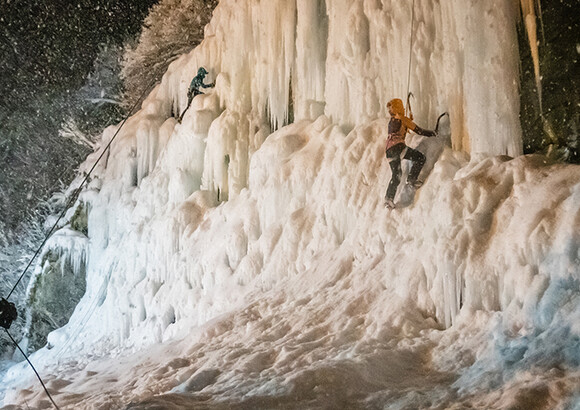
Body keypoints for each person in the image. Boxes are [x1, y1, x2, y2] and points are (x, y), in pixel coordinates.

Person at [384, 98, 437, 209]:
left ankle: (388, 199)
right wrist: (434, 133)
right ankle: (412, 179)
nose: (403, 108)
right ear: (399, 108)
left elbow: (399, 129)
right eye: (401, 107)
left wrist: (406, 124)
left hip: (389, 150)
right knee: (420, 158)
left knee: (396, 175)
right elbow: (419, 131)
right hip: (398, 147)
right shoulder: (403, 119)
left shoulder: (392, 120)